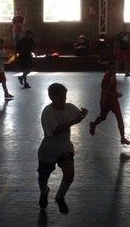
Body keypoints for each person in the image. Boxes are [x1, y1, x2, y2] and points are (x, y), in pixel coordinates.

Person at [37, 83, 89, 214]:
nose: (63, 100)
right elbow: (55, 130)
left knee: (70, 174)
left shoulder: (69, 107)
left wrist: (83, 114)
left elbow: (79, 116)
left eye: (64, 97)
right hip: (48, 149)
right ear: (51, 97)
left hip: (64, 146)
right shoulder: (47, 112)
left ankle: (60, 197)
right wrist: (74, 121)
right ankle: (44, 191)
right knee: (43, 177)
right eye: (60, 98)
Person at [89, 61, 130, 145]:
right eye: (112, 68)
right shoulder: (107, 77)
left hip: (114, 101)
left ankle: (122, 138)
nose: (114, 70)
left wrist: (116, 93)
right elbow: (104, 90)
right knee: (103, 117)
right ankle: (93, 124)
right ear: (108, 69)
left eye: (115, 68)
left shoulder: (114, 75)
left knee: (120, 119)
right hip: (106, 101)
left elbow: (112, 88)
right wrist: (115, 94)